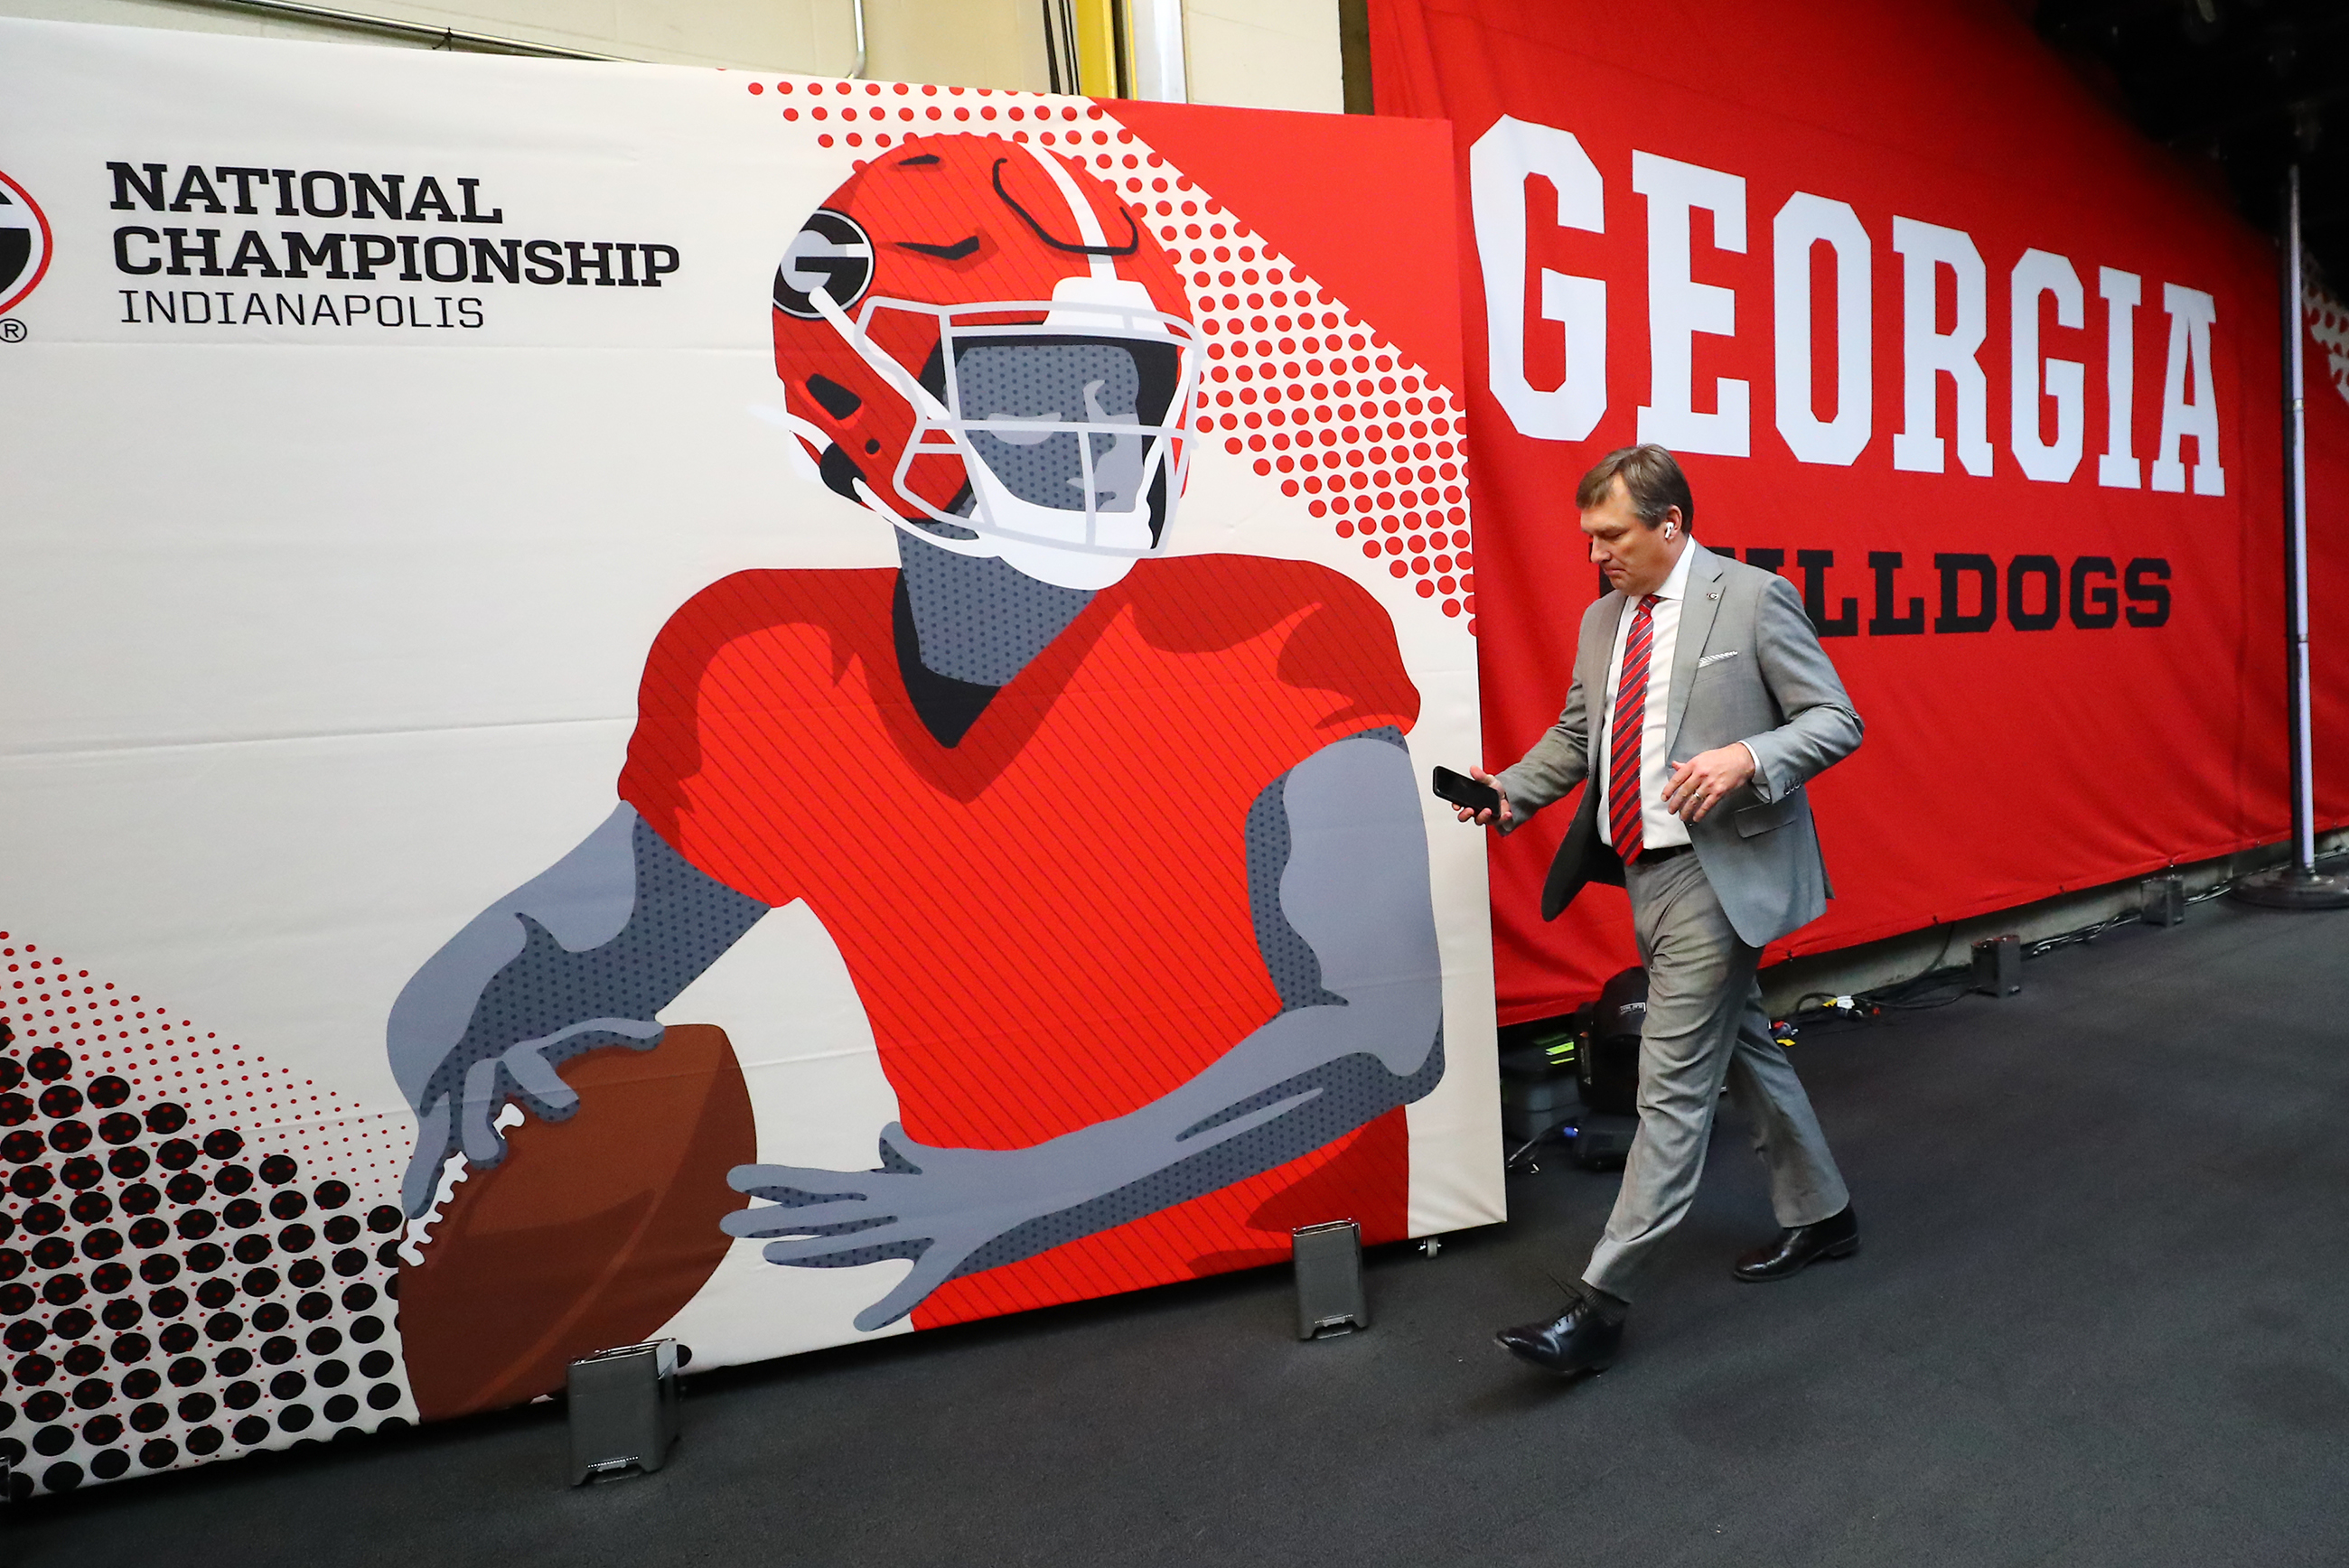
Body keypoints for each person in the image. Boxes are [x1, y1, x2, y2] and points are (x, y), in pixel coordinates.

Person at [384, 134, 1446, 1336]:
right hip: (953, 1292)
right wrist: (475, 1060)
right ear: (852, 393)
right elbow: (548, 950)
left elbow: (1383, 1019)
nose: (1101, 433)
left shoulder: (1280, 632)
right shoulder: (770, 668)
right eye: (1038, 386)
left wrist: (1027, 1191)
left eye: (1125, 385)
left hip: (1284, 1290)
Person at [1455, 443, 1862, 1377]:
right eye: (1588, 536)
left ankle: (1598, 1305)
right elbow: (1576, 733)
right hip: (1646, 873)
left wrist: (1746, 759)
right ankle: (1825, 1213)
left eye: (1611, 534)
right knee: (1746, 1048)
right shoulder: (1604, 618)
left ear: (1667, 523)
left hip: (1720, 877)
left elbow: (1834, 718)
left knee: (1668, 1088)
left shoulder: (1753, 598)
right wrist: (1510, 792)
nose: (1595, 552)